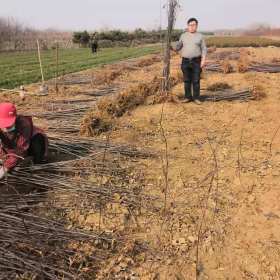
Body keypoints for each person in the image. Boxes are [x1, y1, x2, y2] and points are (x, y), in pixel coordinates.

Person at [0, 103, 48, 180]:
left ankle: (35, 163)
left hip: (28, 145)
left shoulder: (24, 125)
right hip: (12, 148)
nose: (5, 128)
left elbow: (19, 151)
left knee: (18, 170)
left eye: (8, 125)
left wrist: (4, 169)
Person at [172, 17, 207, 104]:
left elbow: (204, 49)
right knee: (186, 80)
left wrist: (203, 60)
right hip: (185, 61)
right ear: (187, 26)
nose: (192, 26)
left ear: (196, 26)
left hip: (196, 61)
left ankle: (196, 98)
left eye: (194, 25)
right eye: (190, 25)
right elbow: (178, 47)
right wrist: (172, 46)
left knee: (196, 80)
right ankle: (188, 97)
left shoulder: (200, 36)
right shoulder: (183, 36)